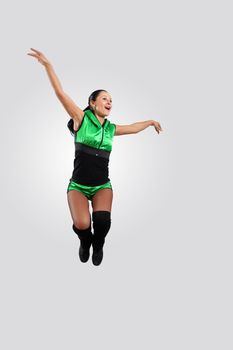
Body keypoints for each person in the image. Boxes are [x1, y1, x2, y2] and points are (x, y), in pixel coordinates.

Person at [27, 47, 163, 266]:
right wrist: (48, 66)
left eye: (111, 100)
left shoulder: (110, 128)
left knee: (102, 222)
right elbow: (60, 93)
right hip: (78, 186)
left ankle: (98, 243)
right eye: (104, 98)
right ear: (92, 103)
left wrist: (150, 122)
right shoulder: (80, 119)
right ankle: (85, 241)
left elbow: (133, 127)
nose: (109, 102)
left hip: (102, 185)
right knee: (82, 225)